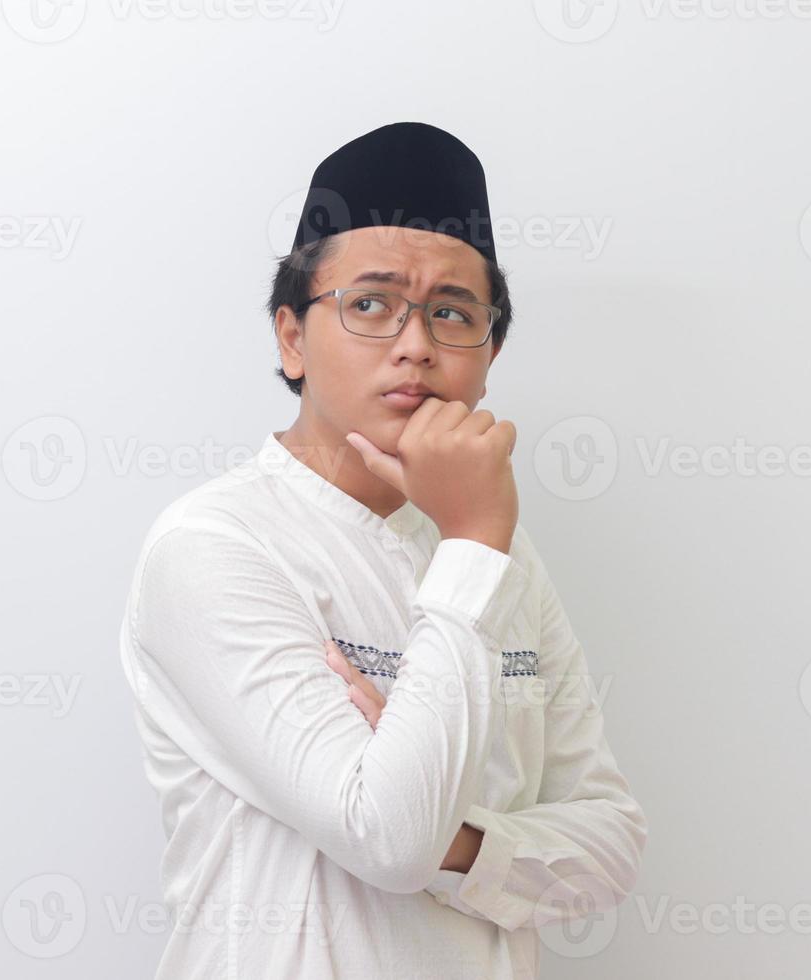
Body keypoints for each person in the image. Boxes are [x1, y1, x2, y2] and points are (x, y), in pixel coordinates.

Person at [118, 120, 646, 979]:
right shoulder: (215, 546)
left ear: (490, 352)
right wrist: (473, 542)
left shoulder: (506, 555)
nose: (416, 345)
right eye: (370, 304)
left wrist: (458, 835)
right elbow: (390, 838)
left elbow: (612, 843)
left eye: (452, 312)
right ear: (290, 337)